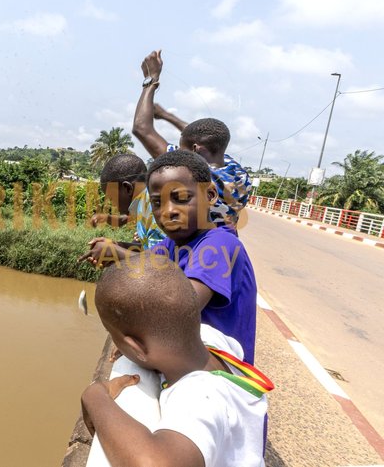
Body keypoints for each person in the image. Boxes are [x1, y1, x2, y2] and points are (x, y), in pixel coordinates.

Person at [81, 257, 272, 467]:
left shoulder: (200, 396)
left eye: (113, 336)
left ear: (136, 348)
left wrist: (94, 396)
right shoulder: (216, 341)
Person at [80, 150, 258, 363]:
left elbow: (177, 313)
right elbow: (146, 263)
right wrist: (113, 252)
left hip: (222, 378)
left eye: (181, 198)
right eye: (157, 203)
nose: (169, 211)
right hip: (190, 364)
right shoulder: (172, 245)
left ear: (210, 195)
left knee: (95, 396)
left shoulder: (220, 245)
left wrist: (128, 336)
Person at [132, 49, 250, 229]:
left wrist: (151, 80)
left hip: (191, 252)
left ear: (196, 150)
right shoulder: (239, 175)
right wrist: (167, 116)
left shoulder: (197, 177)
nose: (179, 154)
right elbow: (201, 135)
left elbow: (142, 128)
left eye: (182, 149)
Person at [90, 154, 165, 250]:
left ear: (128, 188)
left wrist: (114, 251)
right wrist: (116, 245)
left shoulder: (153, 211)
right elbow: (148, 251)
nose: (112, 204)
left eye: (112, 198)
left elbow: (159, 261)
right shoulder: (143, 203)